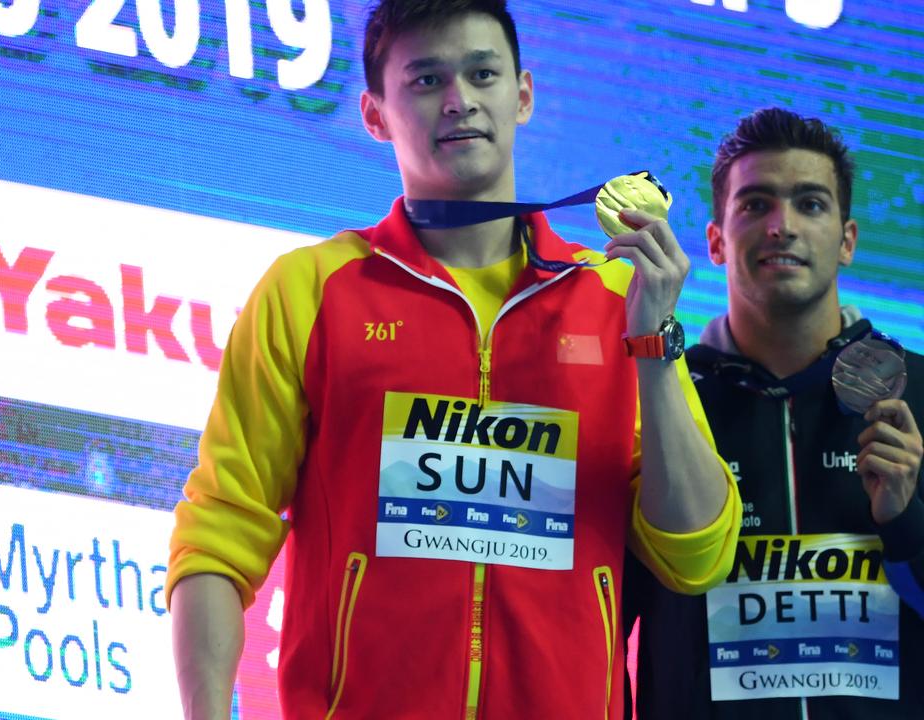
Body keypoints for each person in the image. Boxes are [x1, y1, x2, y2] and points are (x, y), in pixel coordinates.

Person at [166, 0, 742, 717]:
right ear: (375, 114)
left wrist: (654, 344)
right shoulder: (309, 292)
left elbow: (697, 557)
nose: (460, 100)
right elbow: (220, 534)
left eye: (482, 73)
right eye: (427, 80)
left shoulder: (614, 299)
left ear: (522, 95)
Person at [624, 107, 924, 719]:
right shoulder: (657, 398)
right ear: (715, 240)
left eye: (810, 204)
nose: (781, 226)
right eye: (755, 204)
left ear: (848, 240)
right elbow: (596, 611)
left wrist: (906, 522)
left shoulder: (917, 390)